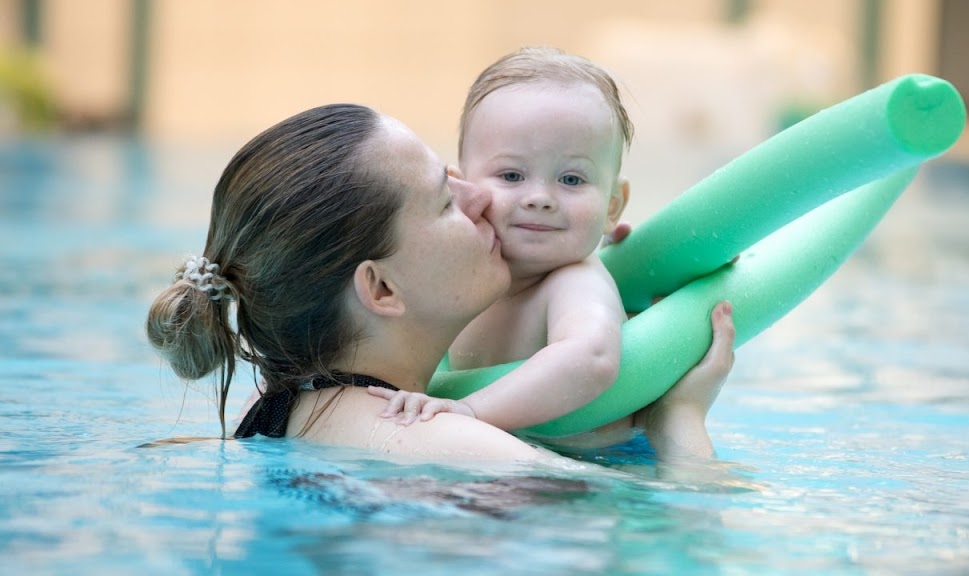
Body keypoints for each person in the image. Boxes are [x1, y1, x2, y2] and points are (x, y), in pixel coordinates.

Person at [146, 102, 735, 463]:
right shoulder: (460, 450)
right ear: (382, 291)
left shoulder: (273, 409)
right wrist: (677, 419)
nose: (483, 198)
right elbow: (677, 535)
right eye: (445, 200)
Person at [369, 48, 734, 460]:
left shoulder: (574, 282)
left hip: (596, 470)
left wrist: (471, 410)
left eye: (571, 179)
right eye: (512, 175)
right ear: (464, 188)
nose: (540, 197)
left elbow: (591, 357)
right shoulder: (462, 277)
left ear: (612, 206)